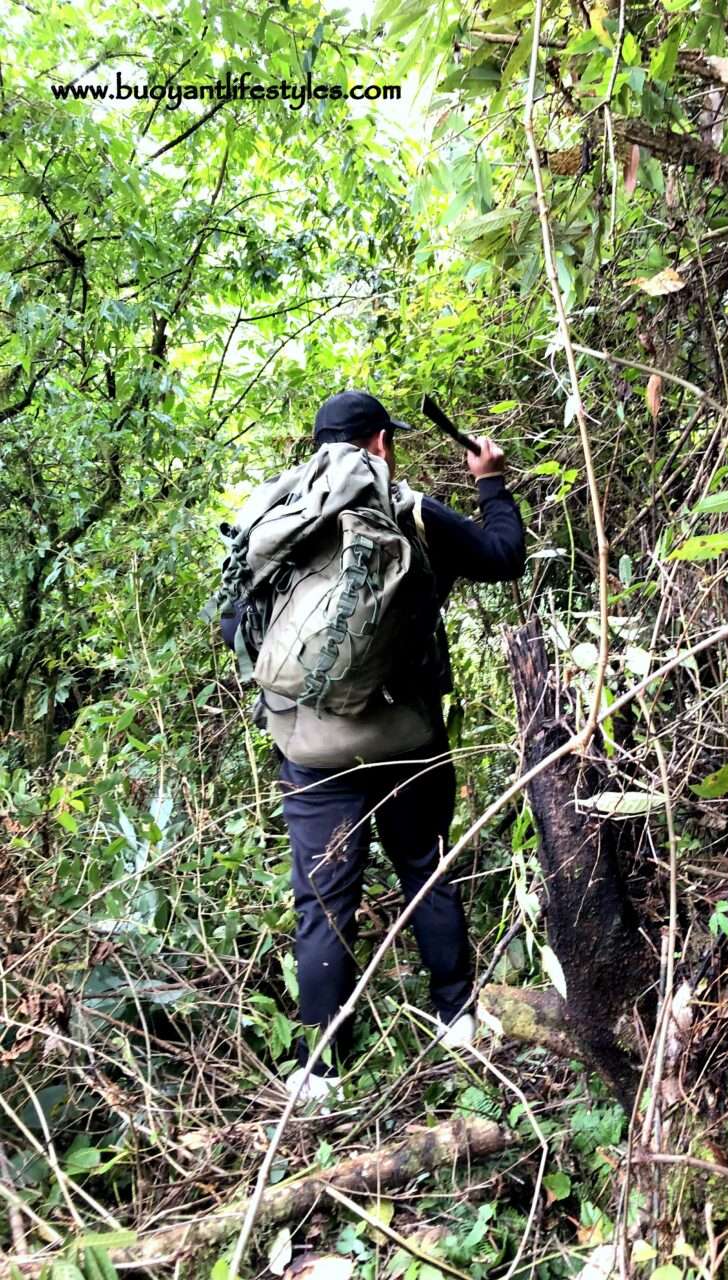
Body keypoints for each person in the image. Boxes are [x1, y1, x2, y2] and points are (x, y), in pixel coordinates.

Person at [221, 390, 525, 1105]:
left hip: (310, 750)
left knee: (323, 902)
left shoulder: (278, 519)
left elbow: (239, 618)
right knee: (424, 866)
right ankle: (455, 1019)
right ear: (381, 444)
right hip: (406, 741)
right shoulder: (412, 511)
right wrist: (489, 482)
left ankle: (316, 1065)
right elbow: (506, 557)